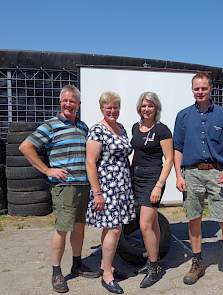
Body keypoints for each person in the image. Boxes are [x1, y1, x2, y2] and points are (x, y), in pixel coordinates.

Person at [173, 72, 223, 295]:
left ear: (211, 89)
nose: (200, 92)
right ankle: (197, 262)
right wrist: (178, 176)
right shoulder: (183, 116)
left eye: (204, 88)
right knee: (194, 219)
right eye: (196, 89)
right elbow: (177, 148)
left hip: (218, 173)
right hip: (191, 174)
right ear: (192, 90)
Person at [19, 85, 100, 293]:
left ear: (79, 105)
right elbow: (25, 147)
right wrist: (47, 170)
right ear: (60, 102)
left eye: (72, 101)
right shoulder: (50, 125)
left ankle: (77, 263)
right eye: (65, 100)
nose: (68, 104)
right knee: (62, 228)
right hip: (64, 186)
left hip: (83, 185)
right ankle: (56, 272)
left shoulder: (83, 127)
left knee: (80, 226)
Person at [86, 91, 136, 294]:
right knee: (114, 230)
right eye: (108, 108)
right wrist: (97, 192)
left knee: (112, 229)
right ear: (102, 109)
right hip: (106, 187)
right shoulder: (97, 130)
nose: (112, 111)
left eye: (115, 107)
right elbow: (90, 162)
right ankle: (107, 275)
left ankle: (107, 266)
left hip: (122, 185)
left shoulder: (121, 128)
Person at [131, 91, 173, 288]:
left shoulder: (162, 130)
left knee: (145, 225)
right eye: (143, 106)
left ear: (157, 108)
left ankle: (154, 267)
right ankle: (153, 262)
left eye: (150, 106)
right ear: (139, 108)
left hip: (152, 180)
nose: (146, 109)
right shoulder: (135, 128)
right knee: (153, 223)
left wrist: (159, 184)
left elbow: (169, 160)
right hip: (136, 178)